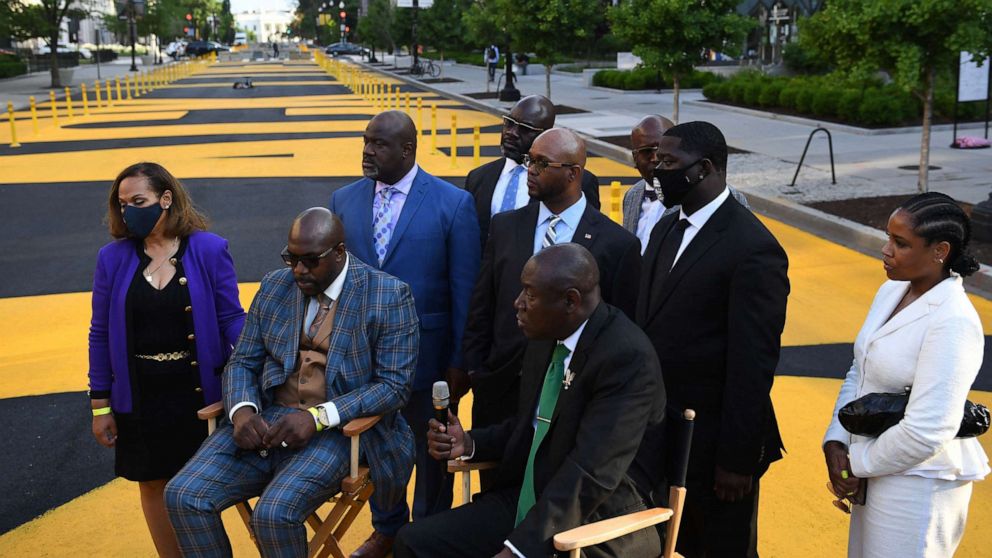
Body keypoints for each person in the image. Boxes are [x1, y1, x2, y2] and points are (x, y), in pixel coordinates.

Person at [164, 208, 419, 557]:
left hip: (339, 433)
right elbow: (243, 360)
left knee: (274, 515)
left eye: (310, 260)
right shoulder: (274, 286)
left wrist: (317, 417)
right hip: (267, 419)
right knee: (182, 495)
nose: (298, 270)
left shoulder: (388, 295)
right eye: (291, 258)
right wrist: (241, 412)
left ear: (339, 252)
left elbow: (394, 386)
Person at [394, 243, 665, 558]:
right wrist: (468, 443)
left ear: (570, 301)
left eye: (530, 295)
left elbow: (592, 473)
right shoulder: (546, 335)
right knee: (414, 543)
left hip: (601, 519)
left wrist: (518, 549)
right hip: (534, 496)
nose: (517, 303)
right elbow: (534, 426)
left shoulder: (626, 358)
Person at [633, 121, 789, 557]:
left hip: (717, 449)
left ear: (703, 169)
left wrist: (736, 461)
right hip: (661, 436)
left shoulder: (753, 247)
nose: (655, 170)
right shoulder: (665, 229)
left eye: (668, 162)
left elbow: (752, 364)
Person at [329, 110, 480, 557]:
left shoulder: (453, 203)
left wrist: (459, 360)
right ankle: (388, 530)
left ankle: (429, 535)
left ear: (408, 149)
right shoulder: (343, 200)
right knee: (377, 446)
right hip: (362, 359)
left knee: (432, 450)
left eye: (379, 144)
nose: (368, 151)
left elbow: (464, 290)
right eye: (365, 141)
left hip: (428, 359)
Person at [459, 128, 641, 483]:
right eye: (530, 160)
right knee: (493, 496)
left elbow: (622, 329)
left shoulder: (616, 244)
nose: (530, 169)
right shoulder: (506, 226)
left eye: (542, 163)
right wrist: (477, 369)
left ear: (574, 173)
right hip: (500, 391)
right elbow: (483, 304)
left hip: (569, 399)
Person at [88, 162, 246, 557]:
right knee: (153, 485)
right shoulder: (112, 258)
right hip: (140, 396)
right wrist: (100, 405)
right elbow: (100, 333)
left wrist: (250, 375)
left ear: (166, 198)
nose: (129, 212)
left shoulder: (210, 249)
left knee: (198, 489)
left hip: (198, 395)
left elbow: (231, 318)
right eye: (123, 205)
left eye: (138, 201)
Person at [822, 193, 990, 558]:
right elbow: (860, 367)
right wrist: (836, 441)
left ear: (940, 251)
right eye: (888, 238)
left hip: (919, 485)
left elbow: (929, 429)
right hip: (877, 468)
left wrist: (856, 465)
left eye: (900, 243)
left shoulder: (953, 319)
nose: (886, 250)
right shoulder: (891, 291)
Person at [465, 95, 602, 248]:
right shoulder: (478, 177)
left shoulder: (576, 179)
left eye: (525, 129)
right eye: (509, 123)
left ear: (546, 134)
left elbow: (590, 235)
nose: (512, 133)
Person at [622, 115, 749, 254]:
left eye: (663, 151)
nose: (656, 158)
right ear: (635, 158)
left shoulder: (723, 197)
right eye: (646, 151)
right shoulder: (632, 195)